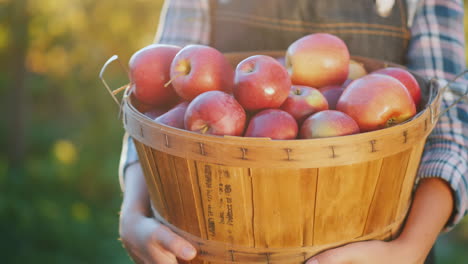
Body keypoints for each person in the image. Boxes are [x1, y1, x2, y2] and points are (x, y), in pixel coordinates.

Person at [118, 0, 467, 263]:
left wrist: (409, 250)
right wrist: (133, 213)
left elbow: (450, 124)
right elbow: (159, 105)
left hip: (381, 249)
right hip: (220, 233)